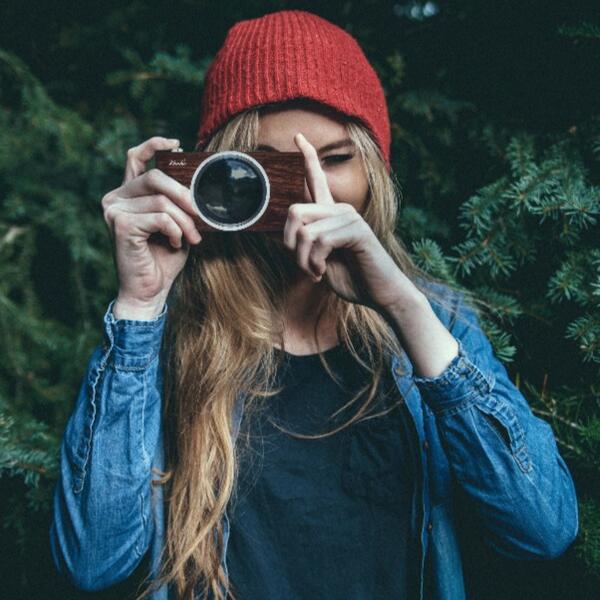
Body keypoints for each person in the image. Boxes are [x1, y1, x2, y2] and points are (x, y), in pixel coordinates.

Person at [49, 9, 579, 600]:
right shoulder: (167, 333)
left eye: (333, 159)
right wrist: (138, 307)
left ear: (375, 171)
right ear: (218, 174)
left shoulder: (434, 323)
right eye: (269, 167)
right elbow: (93, 560)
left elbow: (544, 528)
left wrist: (403, 307)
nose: (307, 192)